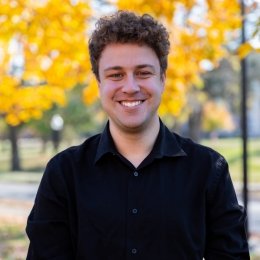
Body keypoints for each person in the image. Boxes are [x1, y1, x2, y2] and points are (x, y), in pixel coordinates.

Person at [26, 11, 249, 259]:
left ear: (162, 79)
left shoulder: (208, 170)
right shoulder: (63, 173)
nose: (130, 87)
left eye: (143, 73)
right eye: (116, 75)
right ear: (99, 83)